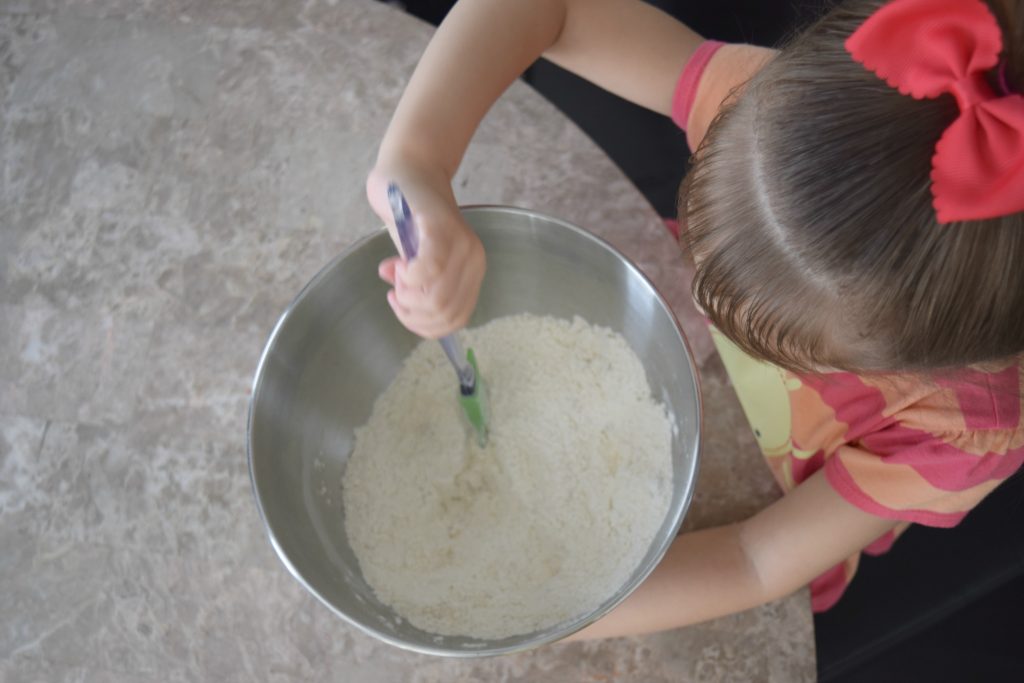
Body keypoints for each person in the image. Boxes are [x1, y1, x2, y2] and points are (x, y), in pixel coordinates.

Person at [365, 0, 1024, 638]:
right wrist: (419, 162)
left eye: (792, 347)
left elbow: (752, 558)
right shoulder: (780, 128)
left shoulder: (968, 430)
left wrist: (546, 611)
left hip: (743, 524)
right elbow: (549, 9)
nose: (709, 304)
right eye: (707, 253)